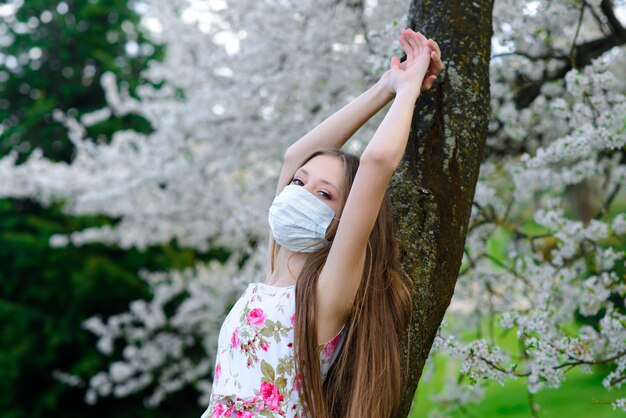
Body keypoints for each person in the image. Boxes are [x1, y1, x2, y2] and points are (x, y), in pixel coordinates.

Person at [201, 28, 443, 418]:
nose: (301, 191)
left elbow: (377, 163)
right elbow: (296, 154)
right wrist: (385, 86)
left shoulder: (326, 290)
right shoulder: (277, 266)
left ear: (340, 221)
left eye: (324, 193)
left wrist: (410, 88)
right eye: (299, 182)